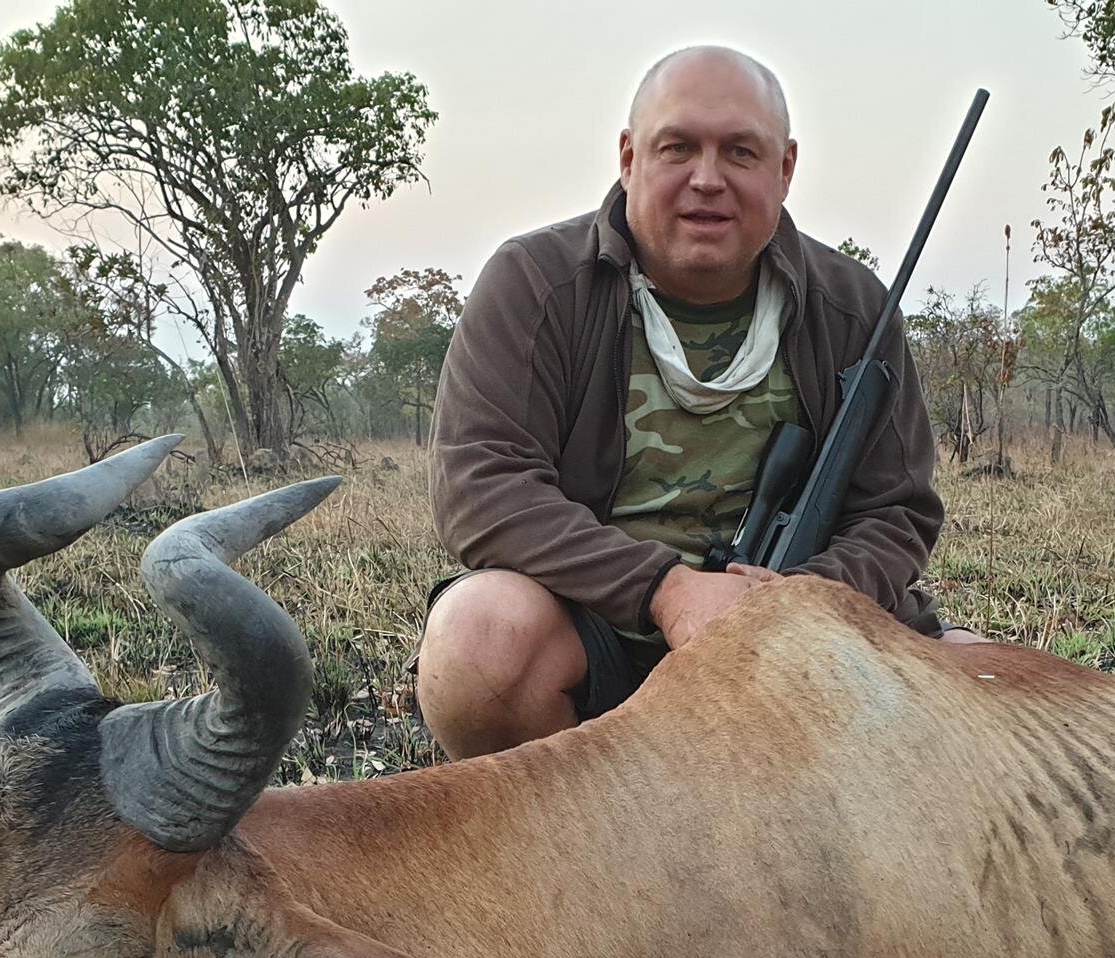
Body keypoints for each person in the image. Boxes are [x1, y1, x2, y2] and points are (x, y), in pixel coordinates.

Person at [417, 44, 980, 761]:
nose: (706, 180)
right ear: (628, 158)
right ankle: (573, 838)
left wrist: (796, 603)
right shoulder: (532, 284)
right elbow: (481, 488)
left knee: (1006, 701)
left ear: (784, 170)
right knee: (478, 638)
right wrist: (666, 590)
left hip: (806, 635)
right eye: (677, 147)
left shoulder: (856, 308)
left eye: (741, 152)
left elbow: (897, 512)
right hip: (601, 638)